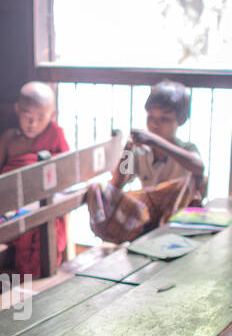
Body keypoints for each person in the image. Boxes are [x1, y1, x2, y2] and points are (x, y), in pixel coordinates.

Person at [88, 80, 206, 243]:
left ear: (181, 120)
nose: (155, 123)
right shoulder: (141, 152)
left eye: (164, 119)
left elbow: (199, 167)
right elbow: (116, 184)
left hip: (179, 223)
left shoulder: (185, 149)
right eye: (151, 117)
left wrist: (155, 141)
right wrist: (128, 150)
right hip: (149, 224)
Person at [0, 82, 72, 277]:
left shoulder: (55, 135)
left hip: (45, 203)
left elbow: (66, 170)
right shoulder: (8, 139)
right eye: (27, 117)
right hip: (12, 204)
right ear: (17, 110)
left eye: (40, 118)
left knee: (45, 228)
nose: (32, 124)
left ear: (52, 115)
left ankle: (38, 281)